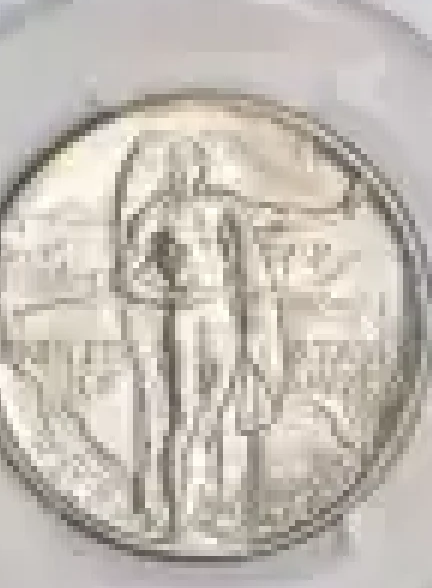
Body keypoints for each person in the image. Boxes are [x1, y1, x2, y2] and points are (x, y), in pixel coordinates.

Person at [111, 133, 361, 540]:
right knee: (184, 418)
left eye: (193, 163)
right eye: (179, 164)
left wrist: (335, 212)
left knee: (213, 414)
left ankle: (198, 507)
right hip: (186, 316)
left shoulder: (221, 206)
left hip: (222, 313)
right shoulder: (157, 213)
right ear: (170, 170)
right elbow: (127, 276)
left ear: (201, 168)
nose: (187, 171)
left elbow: (277, 217)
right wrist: (168, 294)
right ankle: (177, 522)